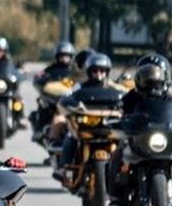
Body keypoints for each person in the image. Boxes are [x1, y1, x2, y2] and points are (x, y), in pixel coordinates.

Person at [108, 54, 172, 206]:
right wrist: (117, 115)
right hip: (139, 141)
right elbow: (119, 108)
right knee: (118, 154)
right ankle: (115, 196)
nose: (152, 82)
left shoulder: (168, 98)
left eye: (156, 77)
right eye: (147, 76)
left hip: (164, 143)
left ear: (165, 78)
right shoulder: (132, 97)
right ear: (139, 78)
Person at [51, 52, 122, 181]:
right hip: (86, 125)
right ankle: (64, 168)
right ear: (89, 72)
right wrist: (68, 101)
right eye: (95, 71)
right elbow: (67, 97)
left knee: (124, 141)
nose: (99, 74)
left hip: (108, 126)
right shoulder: (79, 87)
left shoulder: (113, 88)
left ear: (107, 72)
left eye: (102, 71)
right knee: (71, 136)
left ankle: (123, 170)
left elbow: (125, 98)